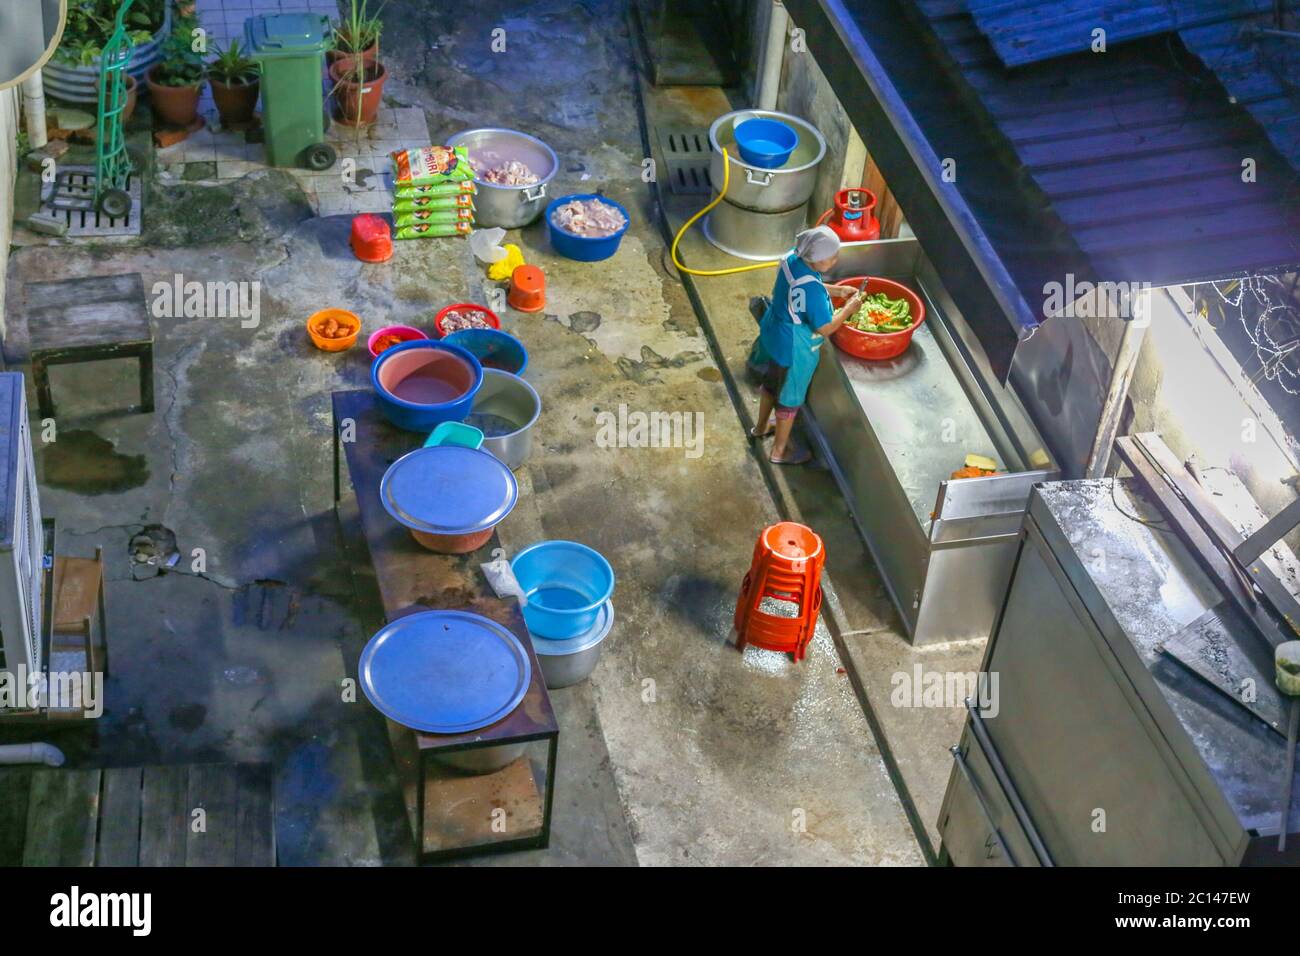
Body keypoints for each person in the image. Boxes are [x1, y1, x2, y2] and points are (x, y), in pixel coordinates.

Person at [746, 225, 866, 464]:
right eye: (830, 257)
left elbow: (806, 285)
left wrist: (837, 290)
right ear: (813, 258)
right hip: (794, 347)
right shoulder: (811, 290)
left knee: (771, 384)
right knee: (789, 400)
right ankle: (780, 452)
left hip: (775, 333)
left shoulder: (792, 258)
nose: (835, 260)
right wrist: (848, 309)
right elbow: (825, 328)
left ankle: (760, 428)